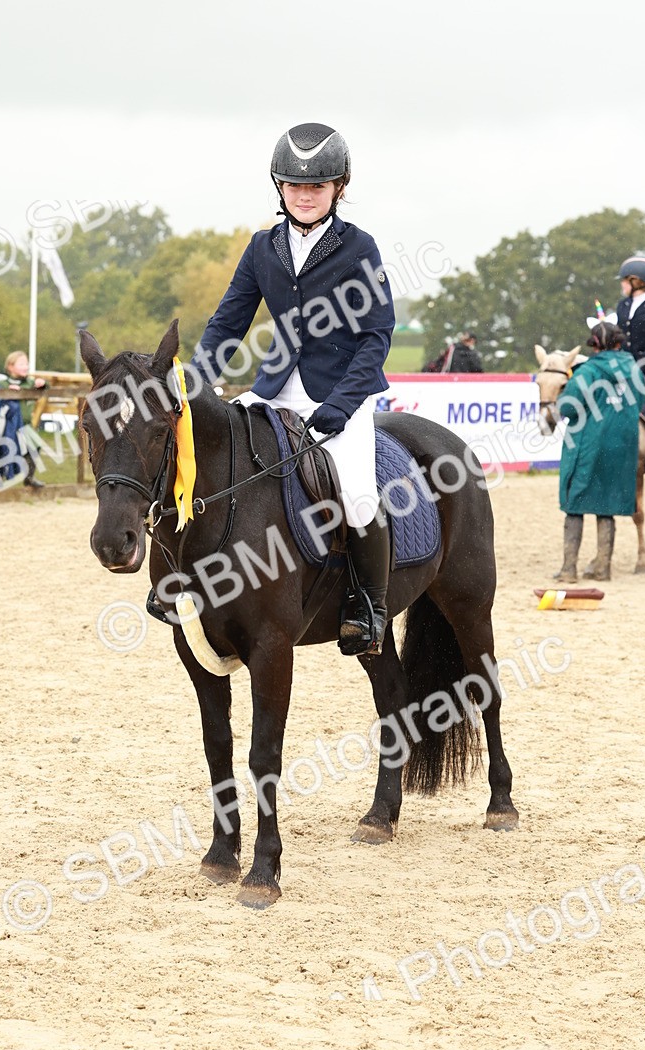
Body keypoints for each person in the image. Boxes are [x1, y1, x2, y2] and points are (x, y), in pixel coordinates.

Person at [189, 122, 395, 655]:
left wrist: (342, 406)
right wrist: (195, 378)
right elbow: (229, 321)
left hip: (342, 393)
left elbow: (377, 335)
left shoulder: (359, 247)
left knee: (357, 494)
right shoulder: (263, 248)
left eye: (318, 186)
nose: (305, 195)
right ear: (279, 187)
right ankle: (186, 582)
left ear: (339, 188)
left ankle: (369, 608)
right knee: (212, 458)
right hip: (275, 388)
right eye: (295, 186)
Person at [553, 321, 645, 582]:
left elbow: (568, 408)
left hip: (589, 445)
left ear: (595, 345)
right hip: (623, 447)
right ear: (619, 343)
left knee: (575, 504)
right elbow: (639, 402)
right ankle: (603, 567)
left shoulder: (589, 371)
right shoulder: (634, 370)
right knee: (606, 506)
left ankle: (569, 569)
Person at [0, 350, 46, 488]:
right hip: (6, 425)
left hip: (25, 425)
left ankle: (29, 477)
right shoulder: (2, 383)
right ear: (10, 366)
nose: (25, 367)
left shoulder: (29, 383)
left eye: (27, 364)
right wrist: (8, 390)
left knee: (35, 446)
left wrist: (42, 384)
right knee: (6, 451)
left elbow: (45, 387)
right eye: (21, 364)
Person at [615, 253, 645, 447]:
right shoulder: (623, 305)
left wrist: (639, 367)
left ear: (637, 281)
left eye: (625, 281)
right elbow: (620, 338)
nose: (622, 284)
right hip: (624, 365)